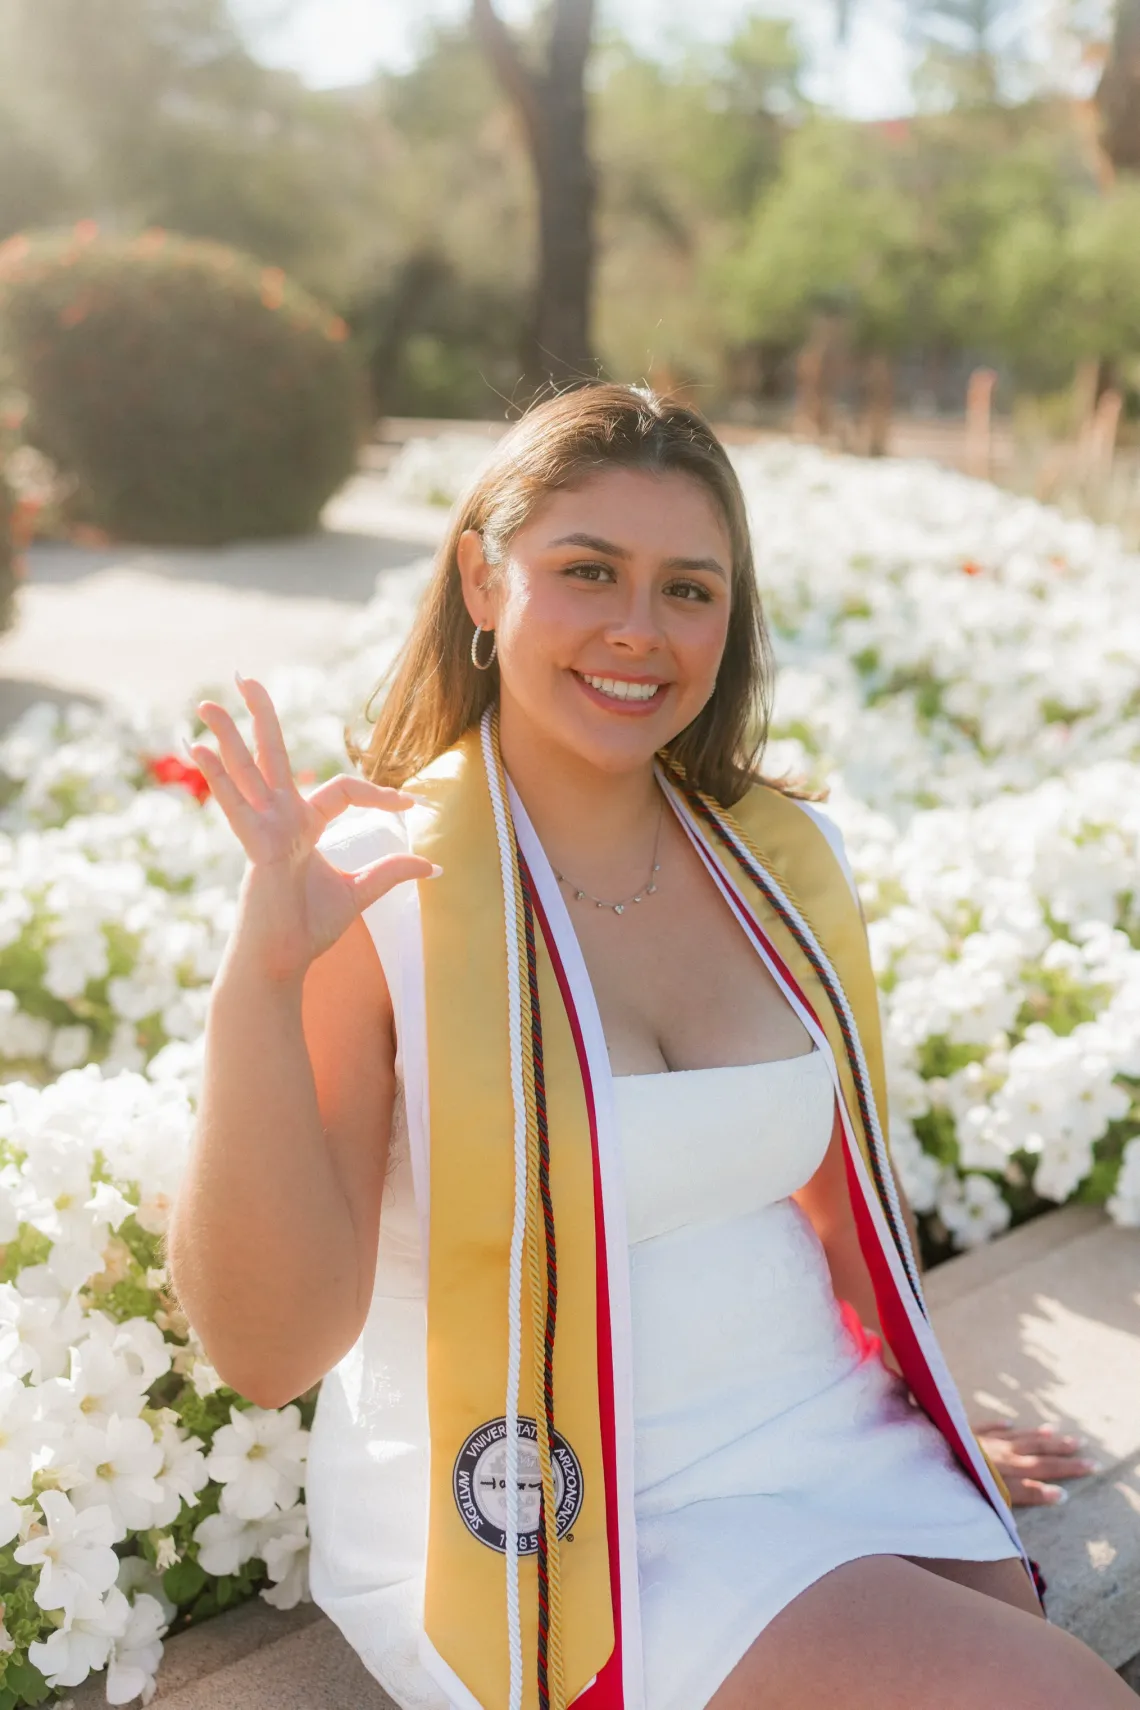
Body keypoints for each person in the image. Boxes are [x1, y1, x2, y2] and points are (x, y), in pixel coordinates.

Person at [169, 385, 1129, 1710]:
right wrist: (261, 980)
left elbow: (832, 1189)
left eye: (690, 588)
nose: (640, 627)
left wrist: (934, 1387)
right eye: (588, 571)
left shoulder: (783, 860)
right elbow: (271, 1351)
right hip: (563, 1499)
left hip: (819, 1431)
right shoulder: (382, 884)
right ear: (482, 578)